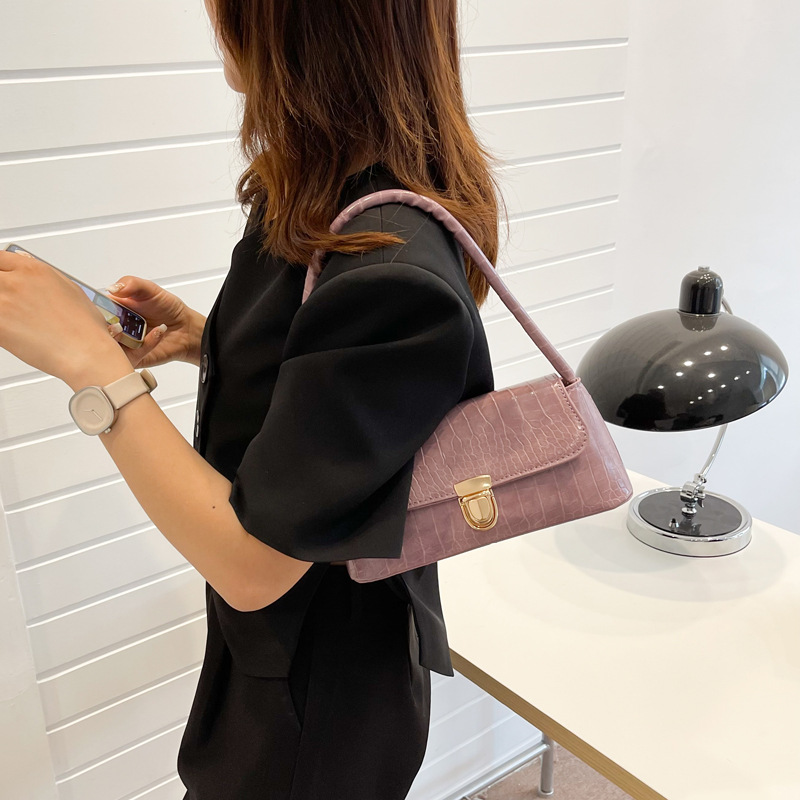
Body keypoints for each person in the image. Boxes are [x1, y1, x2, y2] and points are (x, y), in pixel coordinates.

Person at [0, 0, 501, 797]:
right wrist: (203, 339)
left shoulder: (392, 271)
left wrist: (93, 370)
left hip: (320, 700)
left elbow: (252, 565)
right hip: (276, 659)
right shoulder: (321, 197)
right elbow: (326, 382)